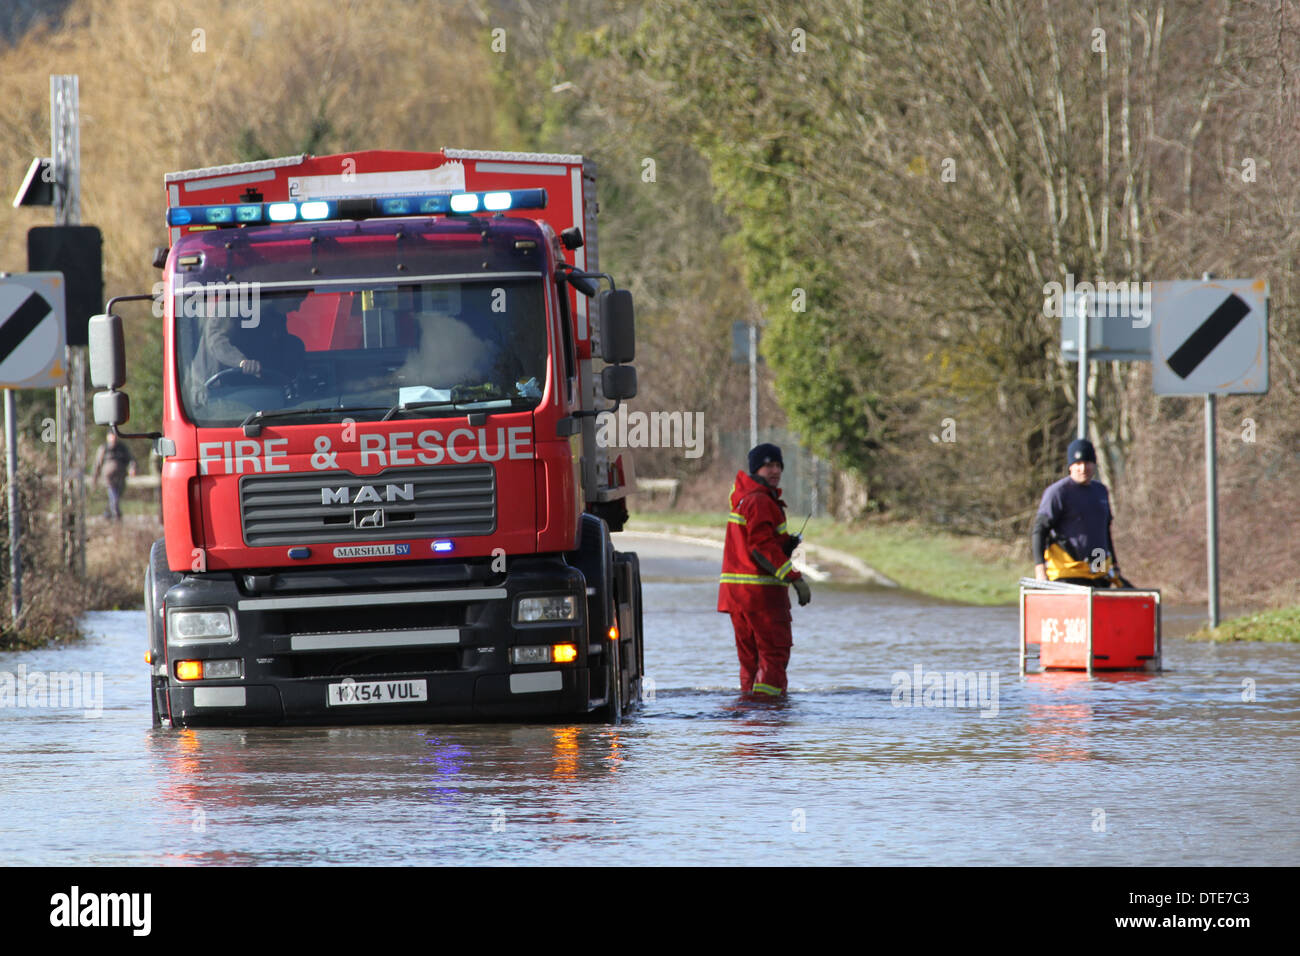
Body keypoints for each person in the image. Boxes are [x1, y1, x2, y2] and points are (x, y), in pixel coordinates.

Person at [717, 442, 811, 697]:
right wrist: (795, 578)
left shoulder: (746, 498)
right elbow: (761, 549)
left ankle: (749, 721)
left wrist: (785, 545)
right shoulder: (760, 501)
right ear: (756, 468)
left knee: (751, 662)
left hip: (739, 599)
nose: (775, 470)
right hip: (762, 598)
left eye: (778, 465)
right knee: (773, 656)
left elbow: (758, 545)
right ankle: (768, 719)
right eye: (768, 465)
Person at [1031, 438, 1121, 586]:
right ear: (1070, 466)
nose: (1083, 468)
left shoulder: (1101, 491)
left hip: (1098, 571)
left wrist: (1114, 564)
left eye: (1087, 463)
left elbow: (1104, 531)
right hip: (1067, 573)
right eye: (1078, 464)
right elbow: (1039, 531)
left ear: (1094, 464)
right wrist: (1040, 569)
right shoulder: (1058, 492)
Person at [93, 430, 137, 521]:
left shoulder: (122, 448)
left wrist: (132, 468)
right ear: (107, 437)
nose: (113, 438)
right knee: (114, 496)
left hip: (121, 476)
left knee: (116, 496)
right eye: (111, 436)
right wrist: (95, 478)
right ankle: (117, 515)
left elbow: (131, 459)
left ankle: (107, 514)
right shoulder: (104, 448)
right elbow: (97, 464)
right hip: (109, 477)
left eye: (115, 436)